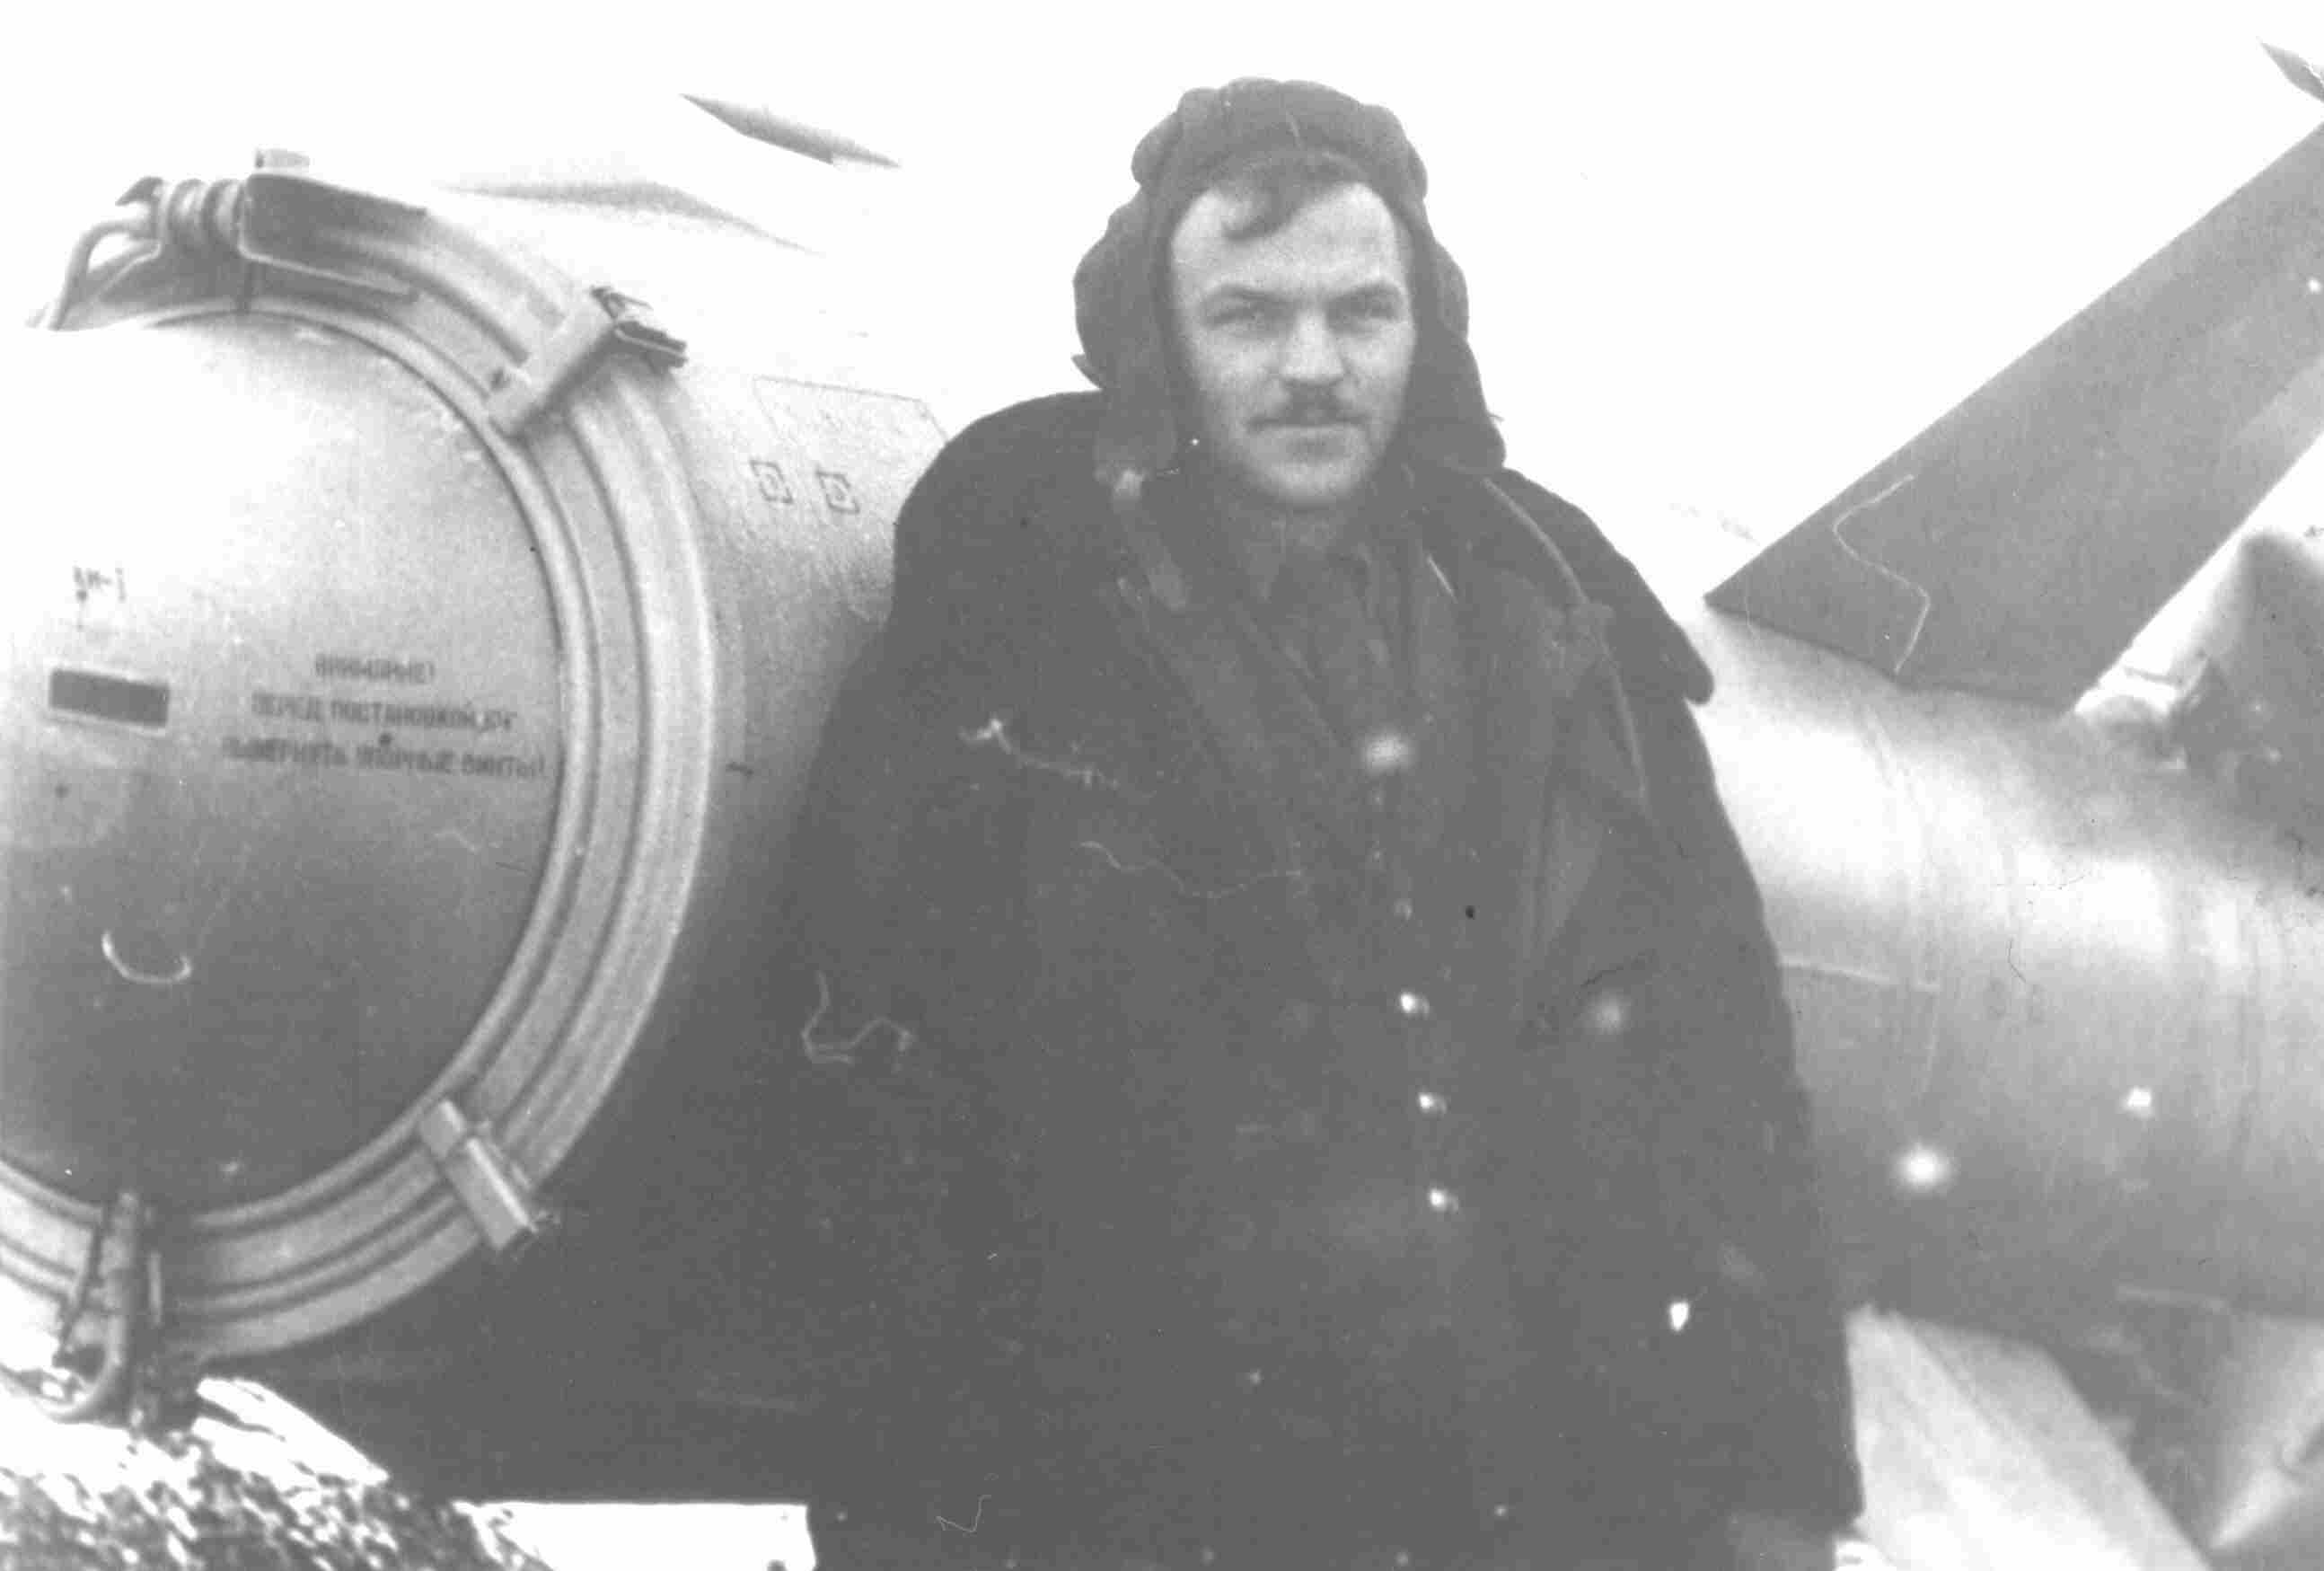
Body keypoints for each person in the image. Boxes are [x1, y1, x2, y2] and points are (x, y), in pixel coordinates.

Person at [770, 76, 1864, 1570]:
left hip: (1538, 1511)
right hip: (1138, 1512)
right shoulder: (1014, 615)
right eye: (1247, 316)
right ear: (1157, 336)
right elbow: (882, 1101)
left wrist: (1778, 1489)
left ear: (1428, 327)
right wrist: (905, 1524)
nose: (1311, 367)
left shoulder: (1565, 629)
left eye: (1361, 313)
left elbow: (1725, 1078)